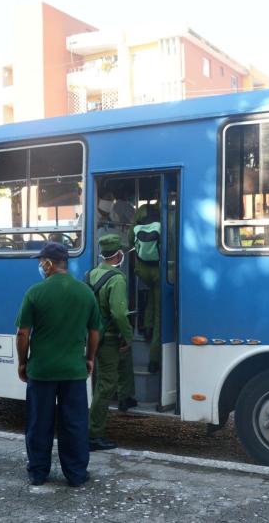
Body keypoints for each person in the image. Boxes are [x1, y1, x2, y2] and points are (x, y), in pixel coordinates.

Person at [15, 242, 100, 487]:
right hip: (74, 371)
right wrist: (90, 358)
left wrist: (23, 363)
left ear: (49, 264)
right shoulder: (85, 293)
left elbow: (23, 333)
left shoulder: (35, 292)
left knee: (39, 423)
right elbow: (94, 332)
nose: (40, 266)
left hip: (41, 371)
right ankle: (75, 474)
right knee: (74, 424)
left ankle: (38, 474)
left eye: (41, 262)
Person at [88, 235, 136, 451]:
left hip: (93, 337)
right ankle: (93, 434)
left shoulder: (91, 274)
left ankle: (127, 396)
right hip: (108, 340)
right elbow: (118, 313)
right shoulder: (117, 279)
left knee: (103, 380)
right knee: (105, 386)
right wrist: (128, 335)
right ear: (118, 254)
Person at [129, 193, 161, 373]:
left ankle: (146, 326)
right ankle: (154, 359)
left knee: (151, 296)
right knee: (159, 311)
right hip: (158, 269)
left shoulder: (142, 211)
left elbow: (129, 239)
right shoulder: (166, 212)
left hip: (141, 269)